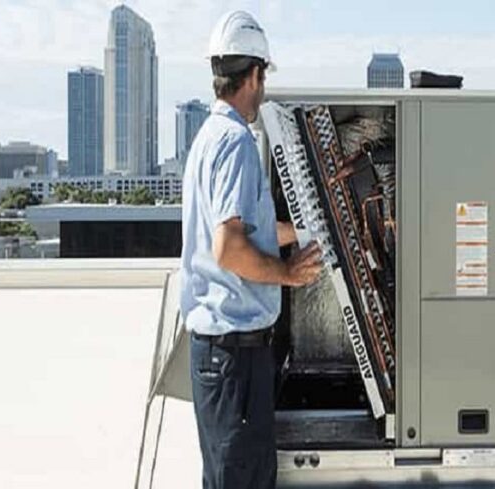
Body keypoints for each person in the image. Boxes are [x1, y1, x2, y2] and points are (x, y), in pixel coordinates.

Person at [180, 11, 323, 489]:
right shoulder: (237, 142)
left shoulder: (207, 139)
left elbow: (246, 231)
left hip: (221, 359)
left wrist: (305, 232)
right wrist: (289, 274)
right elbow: (230, 250)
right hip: (235, 360)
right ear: (256, 74)